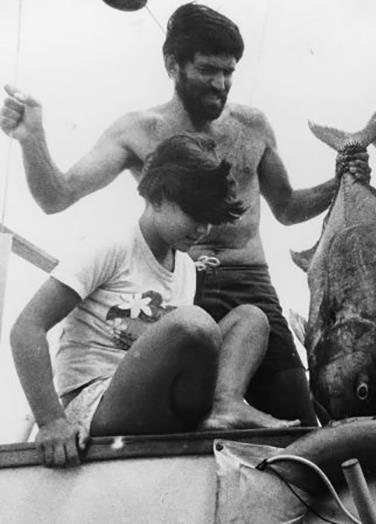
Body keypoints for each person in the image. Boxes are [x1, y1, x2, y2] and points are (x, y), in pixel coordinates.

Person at [0, 3, 369, 427]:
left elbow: (286, 208)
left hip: (249, 286)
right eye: (208, 70)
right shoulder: (137, 130)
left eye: (229, 72)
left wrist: (339, 182)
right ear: (172, 64)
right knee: (186, 413)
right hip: (175, 291)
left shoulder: (253, 127)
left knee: (299, 420)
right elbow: (57, 196)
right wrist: (31, 140)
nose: (221, 84)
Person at [11, 133, 301, 468]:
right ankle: (213, 412)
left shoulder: (186, 267)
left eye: (211, 218)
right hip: (96, 405)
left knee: (251, 318)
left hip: (155, 402)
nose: (204, 229)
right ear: (159, 196)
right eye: (195, 214)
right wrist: (50, 422)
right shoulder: (111, 244)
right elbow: (27, 327)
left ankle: (225, 406)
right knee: (192, 323)